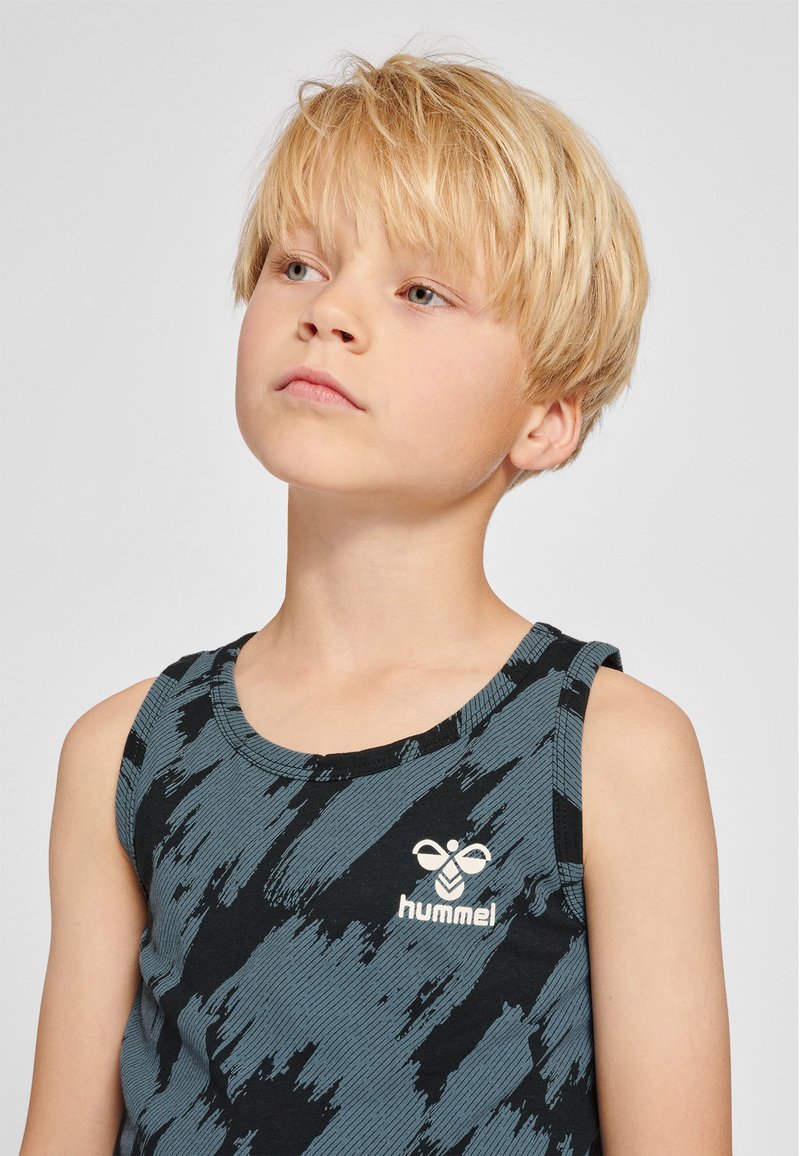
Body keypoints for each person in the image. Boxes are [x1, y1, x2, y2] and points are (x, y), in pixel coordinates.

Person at [20, 49, 732, 1156]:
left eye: (420, 291)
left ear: (545, 417)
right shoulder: (126, 752)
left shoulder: (605, 752)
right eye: (298, 264)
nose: (329, 311)